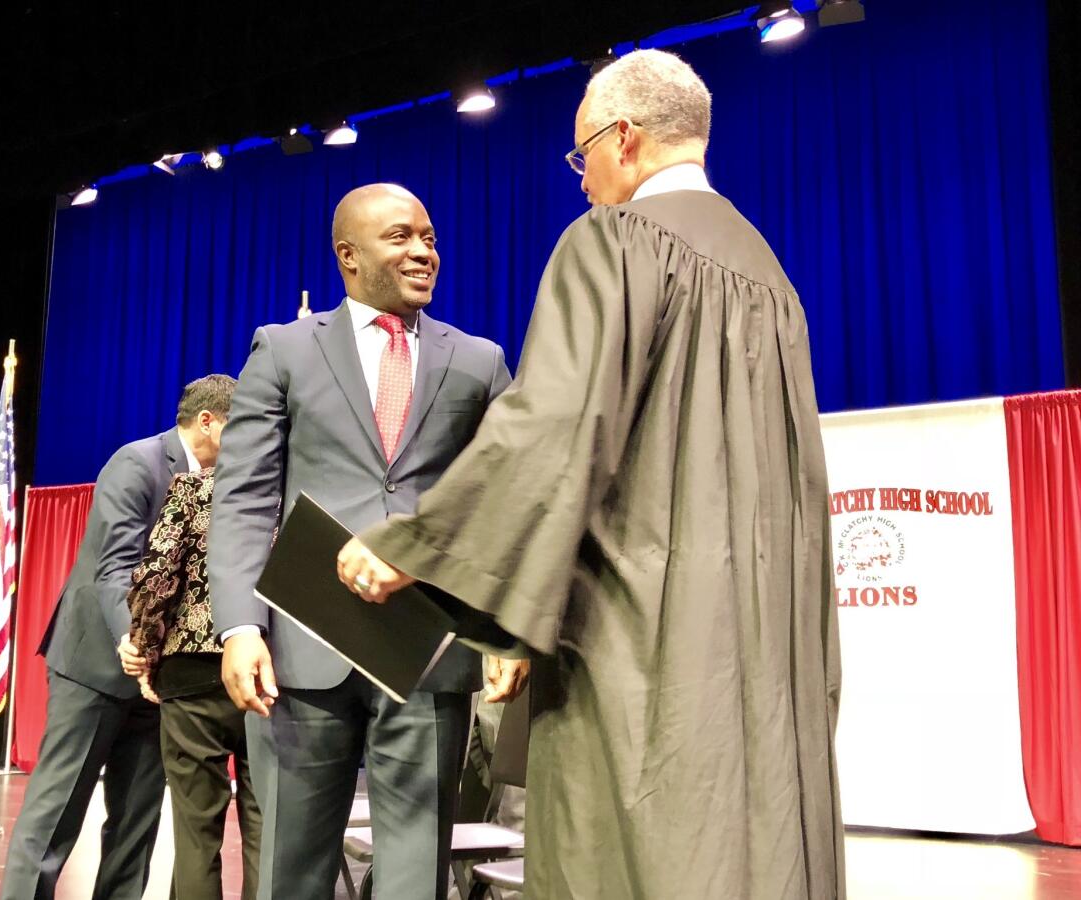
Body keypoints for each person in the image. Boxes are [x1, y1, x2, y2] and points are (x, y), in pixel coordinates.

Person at [336, 50, 845, 899]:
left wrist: (415, 546)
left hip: (642, 635)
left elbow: (556, 426)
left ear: (626, 138)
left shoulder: (615, 241)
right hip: (763, 632)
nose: (580, 182)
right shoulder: (770, 277)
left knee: (636, 846)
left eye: (582, 157)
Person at [207, 183, 527, 900]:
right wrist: (238, 628)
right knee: (291, 867)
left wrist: (506, 631)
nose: (423, 252)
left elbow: (510, 499)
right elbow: (246, 499)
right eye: (402, 237)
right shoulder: (284, 350)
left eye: (431, 238)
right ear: (348, 255)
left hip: (429, 653)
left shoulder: (476, 360)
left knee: (416, 875)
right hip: (296, 657)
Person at [1, 374, 236, 900]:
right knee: (56, 812)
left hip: (160, 683)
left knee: (136, 823)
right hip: (98, 667)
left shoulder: (225, 482)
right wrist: (132, 639)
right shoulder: (138, 463)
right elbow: (115, 568)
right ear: (208, 422)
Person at [119, 442, 263, 900]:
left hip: (191, 676)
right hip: (268, 676)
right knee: (267, 831)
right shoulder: (285, 492)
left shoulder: (195, 488)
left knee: (196, 833)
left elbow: (156, 576)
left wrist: (144, 651)